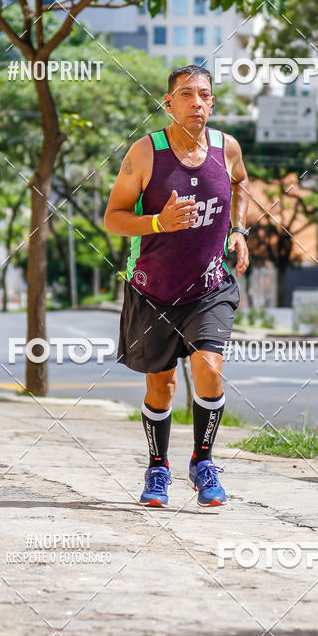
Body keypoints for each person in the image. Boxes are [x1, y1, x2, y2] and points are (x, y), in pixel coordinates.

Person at [103, 65, 250, 507]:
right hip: (153, 289)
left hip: (209, 286)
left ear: (212, 103)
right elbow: (113, 217)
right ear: (168, 103)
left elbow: (241, 182)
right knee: (161, 387)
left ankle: (203, 462)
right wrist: (157, 223)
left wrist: (238, 231)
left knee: (209, 367)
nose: (197, 103)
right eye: (185, 95)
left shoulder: (227, 148)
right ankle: (157, 468)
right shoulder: (146, 153)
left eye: (204, 94)